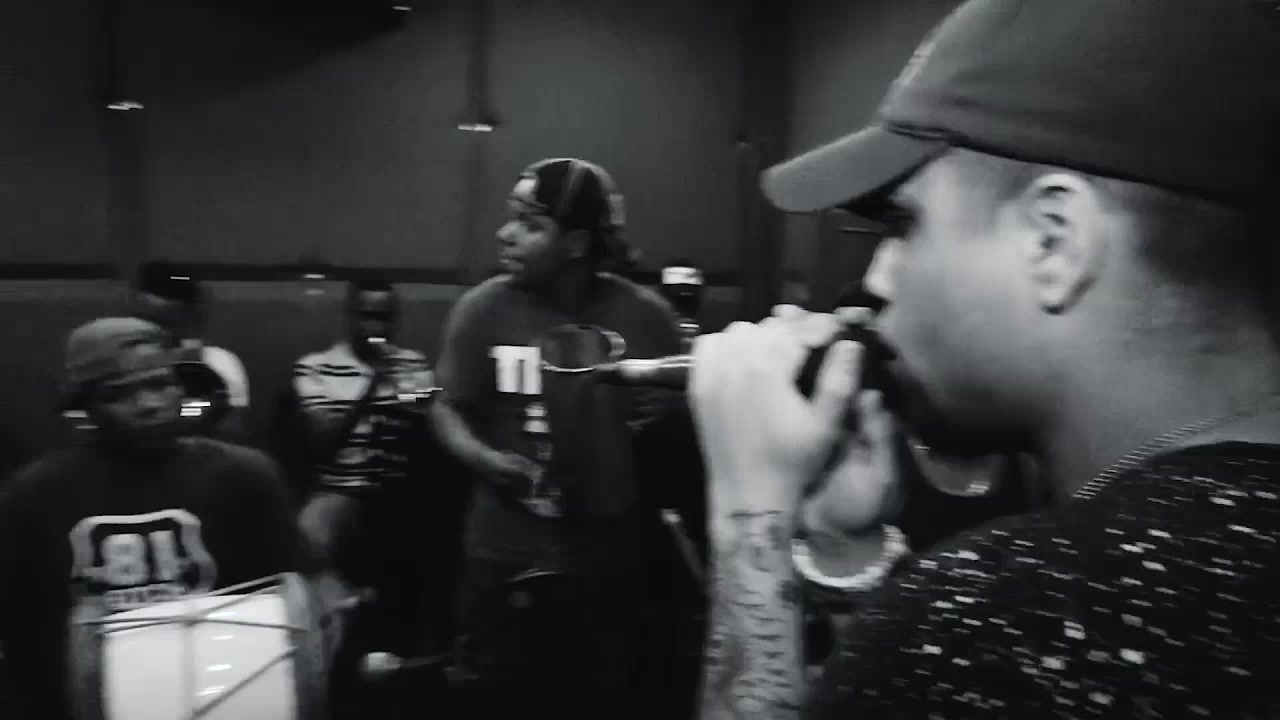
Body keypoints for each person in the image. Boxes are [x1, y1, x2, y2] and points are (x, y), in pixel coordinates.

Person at [692, 1, 1280, 718]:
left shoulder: (1008, 618)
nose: (878, 279)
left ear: (1053, 241)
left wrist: (748, 516)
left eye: (903, 224)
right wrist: (850, 549)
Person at [431, 158, 683, 713]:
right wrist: (485, 459)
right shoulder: (482, 310)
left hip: (609, 563)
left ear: (576, 243)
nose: (506, 234)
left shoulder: (647, 317)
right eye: (511, 218)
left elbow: (689, 432)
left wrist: (670, 408)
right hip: (503, 554)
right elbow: (446, 409)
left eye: (530, 224)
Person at [0, 318, 321, 720]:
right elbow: (18, 630)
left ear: (180, 387)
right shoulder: (34, 494)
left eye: (160, 384)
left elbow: (295, 596)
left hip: (228, 696)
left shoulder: (246, 477)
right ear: (85, 405)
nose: (148, 404)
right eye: (118, 394)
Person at [290, 275, 441, 716]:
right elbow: (322, 442)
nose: (376, 326)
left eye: (385, 317)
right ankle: (322, 662)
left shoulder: (412, 364)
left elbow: (427, 430)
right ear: (350, 316)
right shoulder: (316, 367)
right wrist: (372, 384)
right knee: (308, 539)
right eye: (367, 315)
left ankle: (408, 670)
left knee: (424, 550)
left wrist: (415, 396)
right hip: (339, 490)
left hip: (396, 494)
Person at [131, 261, 252, 441]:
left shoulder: (217, 362)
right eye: (151, 319)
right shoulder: (119, 361)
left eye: (170, 317)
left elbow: (232, 431)